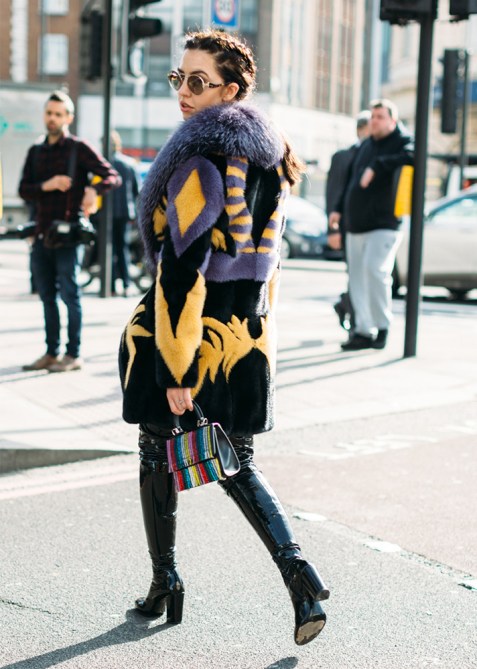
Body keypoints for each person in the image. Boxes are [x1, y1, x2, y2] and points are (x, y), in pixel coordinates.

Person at [118, 29, 329, 646]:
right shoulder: (272, 158)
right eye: (178, 78)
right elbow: (272, 266)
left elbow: (181, 272)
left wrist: (176, 370)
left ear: (231, 90)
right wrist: (260, 332)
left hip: (187, 339)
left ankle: (166, 580)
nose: (183, 92)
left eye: (197, 81)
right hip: (245, 338)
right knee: (238, 464)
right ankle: (299, 576)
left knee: (156, 450)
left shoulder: (201, 161)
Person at [19, 90, 121, 372]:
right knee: (47, 297)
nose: (52, 118)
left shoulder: (78, 148)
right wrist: (47, 185)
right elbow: (23, 190)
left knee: (70, 295)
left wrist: (93, 189)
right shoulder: (36, 151)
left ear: (68, 118)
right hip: (42, 234)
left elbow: (112, 176)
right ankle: (51, 353)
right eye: (49, 113)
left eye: (58, 114)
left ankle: (73, 354)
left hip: (70, 236)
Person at [338, 99, 414, 351]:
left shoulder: (403, 141)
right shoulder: (366, 145)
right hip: (355, 223)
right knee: (357, 279)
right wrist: (337, 210)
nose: (374, 121)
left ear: (393, 120)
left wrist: (378, 166)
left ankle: (382, 327)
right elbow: (349, 180)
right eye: (372, 116)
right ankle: (363, 331)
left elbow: (413, 156)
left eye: (380, 117)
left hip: (384, 223)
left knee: (375, 271)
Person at [326, 111, 371, 331]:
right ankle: (354, 322)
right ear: (361, 130)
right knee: (355, 275)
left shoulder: (375, 154)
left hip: (369, 225)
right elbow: (333, 193)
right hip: (346, 227)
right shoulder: (342, 157)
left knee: (366, 275)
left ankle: (345, 304)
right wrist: (332, 230)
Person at [110, 130, 140, 296]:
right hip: (124, 212)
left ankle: (111, 286)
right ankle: (126, 284)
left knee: (109, 249)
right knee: (122, 249)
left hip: (107, 214)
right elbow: (137, 191)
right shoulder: (128, 164)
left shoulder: (105, 163)